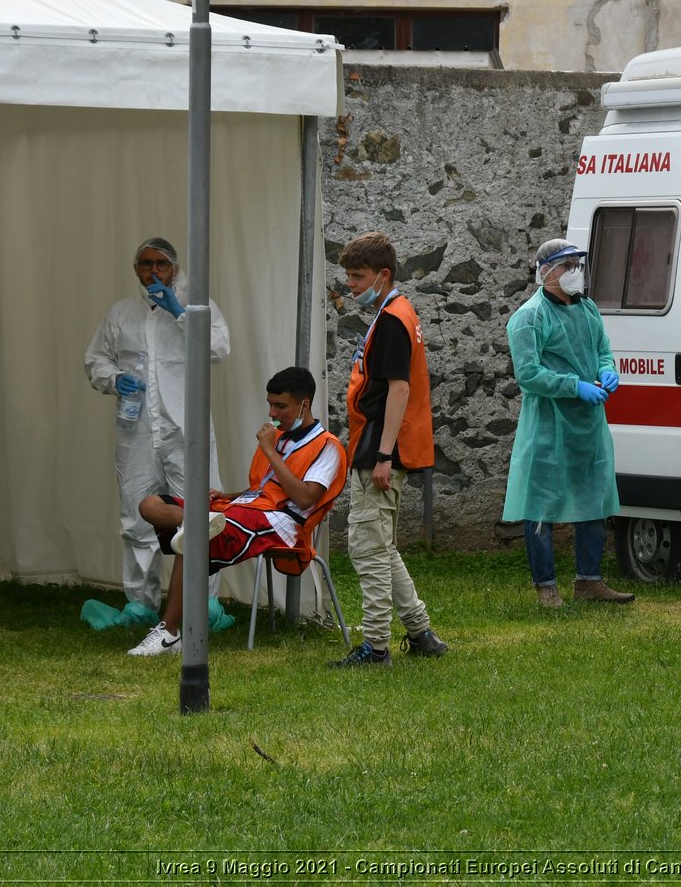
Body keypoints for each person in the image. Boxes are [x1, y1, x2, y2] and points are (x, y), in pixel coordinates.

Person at [127, 367, 344, 656]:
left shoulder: (328, 446)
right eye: (270, 404)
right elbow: (265, 489)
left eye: (280, 406)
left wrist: (270, 452)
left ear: (304, 404)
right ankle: (202, 522)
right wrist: (227, 496)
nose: (272, 413)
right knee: (151, 504)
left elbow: (304, 498)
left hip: (281, 524)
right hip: (244, 510)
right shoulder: (279, 437)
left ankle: (169, 634)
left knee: (191, 537)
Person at [84, 237, 230, 615]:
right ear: (136, 269)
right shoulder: (121, 313)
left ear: (175, 268)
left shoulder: (199, 307)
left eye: (161, 264)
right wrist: (115, 379)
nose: (153, 271)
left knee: (202, 514)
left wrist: (181, 312)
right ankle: (141, 605)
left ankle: (204, 604)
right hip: (137, 431)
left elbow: (218, 349)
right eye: (146, 264)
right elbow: (96, 359)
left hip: (187, 429)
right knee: (135, 517)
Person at [336, 232, 449, 667]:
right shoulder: (397, 311)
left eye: (358, 276)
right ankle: (420, 633)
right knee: (382, 546)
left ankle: (376, 646)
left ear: (383, 275)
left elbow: (398, 390)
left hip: (381, 447)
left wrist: (382, 456)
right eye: (348, 276)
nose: (351, 284)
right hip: (387, 444)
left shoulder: (390, 320)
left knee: (367, 549)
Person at [502, 239, 634, 607]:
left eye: (578, 265)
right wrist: (573, 386)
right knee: (541, 504)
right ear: (546, 272)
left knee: (593, 497)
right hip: (549, 425)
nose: (575, 272)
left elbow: (602, 349)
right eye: (567, 266)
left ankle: (589, 581)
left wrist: (608, 371)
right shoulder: (529, 317)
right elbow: (528, 374)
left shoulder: (588, 309)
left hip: (588, 423)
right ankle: (546, 587)